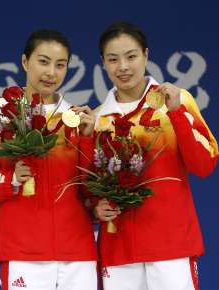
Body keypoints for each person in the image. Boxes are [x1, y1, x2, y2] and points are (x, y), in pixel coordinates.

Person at [0, 29, 98, 290]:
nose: (51, 73)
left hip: (77, 252)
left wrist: (89, 137)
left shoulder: (75, 118)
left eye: (61, 65)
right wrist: (10, 179)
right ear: (25, 62)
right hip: (23, 250)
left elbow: (89, 186)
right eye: (43, 61)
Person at [93, 21, 218, 290]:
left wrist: (176, 113)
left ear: (146, 55)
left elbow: (204, 164)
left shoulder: (176, 101)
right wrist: (96, 207)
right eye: (113, 59)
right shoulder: (98, 119)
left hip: (170, 245)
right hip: (119, 250)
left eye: (131, 56)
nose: (123, 67)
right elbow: (89, 185)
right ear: (103, 63)